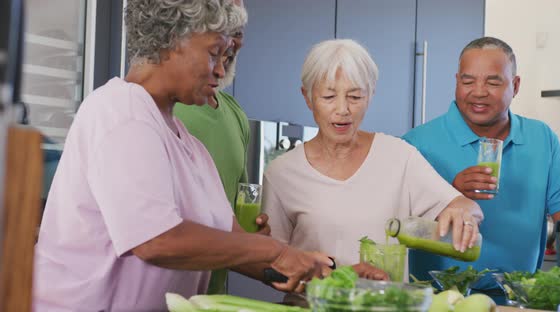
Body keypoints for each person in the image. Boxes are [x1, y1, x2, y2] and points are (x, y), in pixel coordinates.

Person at [33, 1, 333, 310]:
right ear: (173, 38)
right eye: (215, 52)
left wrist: (336, 277)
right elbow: (156, 240)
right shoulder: (121, 112)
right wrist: (272, 251)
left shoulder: (190, 147)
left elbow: (234, 243)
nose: (220, 70)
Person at [262, 39, 484, 277]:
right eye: (328, 97)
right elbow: (271, 263)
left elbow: (465, 206)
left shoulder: (400, 156)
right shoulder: (281, 173)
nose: (343, 109)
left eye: (355, 97)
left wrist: (462, 213)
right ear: (307, 97)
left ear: (370, 95)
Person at [402, 37, 560, 292]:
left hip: (519, 301)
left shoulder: (541, 138)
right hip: (438, 302)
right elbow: (396, 225)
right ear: (456, 82)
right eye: (468, 81)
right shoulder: (415, 143)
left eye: (493, 82)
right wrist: (446, 196)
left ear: (515, 85)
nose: (479, 91)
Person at [173, 0, 254, 295]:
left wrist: (254, 238)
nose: (231, 43)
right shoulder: (163, 112)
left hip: (213, 296)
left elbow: (232, 217)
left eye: (238, 31)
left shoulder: (235, 114)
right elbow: (157, 236)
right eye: (222, 29)